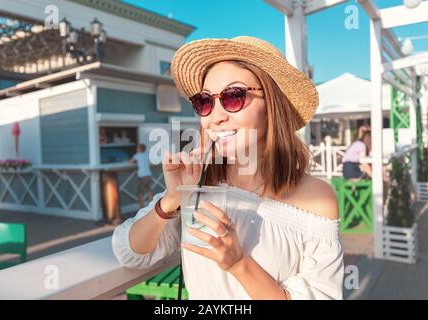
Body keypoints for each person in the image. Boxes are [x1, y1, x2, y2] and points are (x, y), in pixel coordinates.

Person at [113, 36, 344, 300]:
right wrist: (172, 199)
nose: (216, 116)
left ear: (271, 105)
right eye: (205, 102)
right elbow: (130, 253)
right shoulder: (199, 181)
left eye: (234, 97)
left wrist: (239, 264)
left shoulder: (317, 198)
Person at [129, 144, 153, 208]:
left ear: (139, 149)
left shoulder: (137, 155)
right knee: (148, 190)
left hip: (142, 176)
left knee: (140, 192)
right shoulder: (147, 155)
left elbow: (131, 161)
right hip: (148, 175)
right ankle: (151, 205)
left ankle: (142, 207)